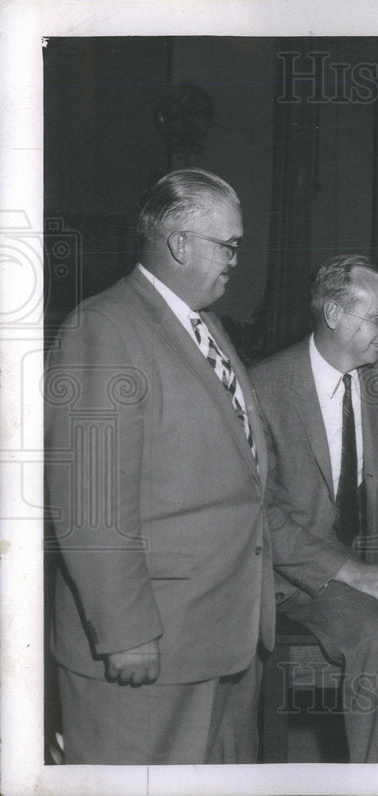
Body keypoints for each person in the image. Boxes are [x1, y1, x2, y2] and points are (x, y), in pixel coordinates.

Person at [45, 168, 273, 764]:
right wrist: (126, 633)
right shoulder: (104, 328)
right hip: (149, 643)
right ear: (179, 244)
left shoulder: (205, 325)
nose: (235, 261)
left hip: (221, 632)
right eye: (228, 246)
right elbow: (90, 501)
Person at [250, 255, 378, 763]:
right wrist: (351, 573)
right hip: (293, 572)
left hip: (366, 565)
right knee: (377, 637)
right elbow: (263, 514)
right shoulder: (263, 386)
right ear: (333, 315)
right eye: (377, 317)